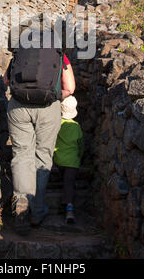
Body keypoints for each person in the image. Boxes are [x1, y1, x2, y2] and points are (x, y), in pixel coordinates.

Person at [3, 28, 76, 235]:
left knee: (22, 154)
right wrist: (54, 96)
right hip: (48, 109)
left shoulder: (20, 52)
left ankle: (22, 198)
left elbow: (7, 82)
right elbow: (70, 87)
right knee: (43, 156)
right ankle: (37, 211)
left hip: (18, 107)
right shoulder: (59, 55)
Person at [53, 95, 84, 224]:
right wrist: (80, 156)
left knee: (65, 179)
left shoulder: (57, 124)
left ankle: (62, 202)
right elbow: (81, 145)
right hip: (73, 162)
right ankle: (69, 207)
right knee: (69, 182)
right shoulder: (76, 127)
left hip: (59, 160)